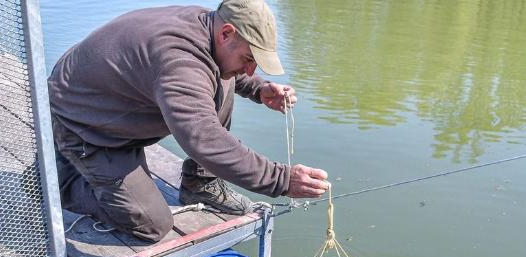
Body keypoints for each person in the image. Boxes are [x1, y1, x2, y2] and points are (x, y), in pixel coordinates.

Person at [48, 0, 329, 242]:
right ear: (227, 33)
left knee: (224, 76)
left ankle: (200, 186)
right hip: (85, 126)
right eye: (248, 58)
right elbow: (204, 138)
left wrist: (259, 88)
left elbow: (218, 68)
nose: (250, 68)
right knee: (151, 224)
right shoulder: (180, 61)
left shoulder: (209, 26)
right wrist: (280, 179)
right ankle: (57, 181)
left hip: (115, 104)